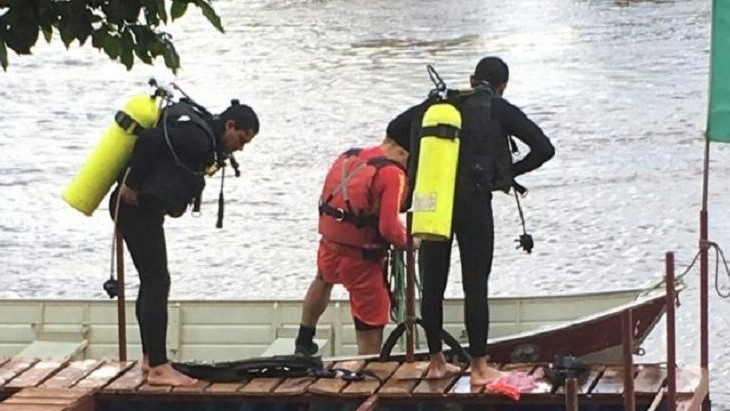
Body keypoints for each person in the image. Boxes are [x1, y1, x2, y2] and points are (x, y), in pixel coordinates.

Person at [388, 56, 555, 385]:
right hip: (473, 202)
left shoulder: (437, 103)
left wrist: (427, 159)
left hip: (432, 201)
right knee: (475, 284)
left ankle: (436, 361)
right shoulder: (497, 107)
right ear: (502, 86)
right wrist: (505, 175)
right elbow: (544, 148)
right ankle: (479, 367)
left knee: (432, 284)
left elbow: (394, 128)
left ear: (471, 77)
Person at [110, 99, 259, 386]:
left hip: (142, 210)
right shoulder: (195, 137)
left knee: (152, 280)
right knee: (157, 281)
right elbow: (150, 140)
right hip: (135, 208)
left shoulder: (203, 138)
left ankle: (149, 359)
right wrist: (131, 185)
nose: (240, 147)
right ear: (229, 125)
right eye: (241, 139)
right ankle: (158, 367)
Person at [294, 130, 411, 356]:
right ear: (401, 149)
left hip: (329, 248)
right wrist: (411, 242)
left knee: (322, 279)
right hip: (362, 261)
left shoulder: (347, 156)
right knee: (373, 313)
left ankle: (303, 341)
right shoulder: (391, 173)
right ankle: (366, 365)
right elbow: (389, 228)